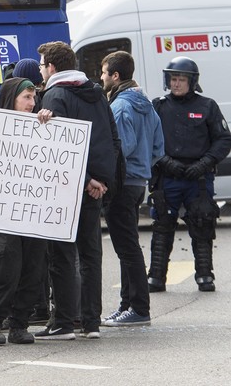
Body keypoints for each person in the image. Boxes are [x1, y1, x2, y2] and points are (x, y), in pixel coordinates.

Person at [34, 41, 120, 341]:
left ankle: (64, 323)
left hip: (66, 189)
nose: (41, 71)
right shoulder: (96, 93)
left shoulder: (55, 95)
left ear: (52, 67)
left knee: (62, 257)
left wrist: (85, 180)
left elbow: (58, 150)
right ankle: (90, 321)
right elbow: (111, 139)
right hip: (94, 187)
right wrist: (102, 181)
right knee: (90, 254)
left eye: (42, 65)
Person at [148, 56, 231, 293]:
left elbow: (224, 139)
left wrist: (205, 163)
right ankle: (156, 276)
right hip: (168, 175)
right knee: (163, 225)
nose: (176, 84)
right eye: (173, 79)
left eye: (181, 79)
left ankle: (204, 275)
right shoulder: (159, 106)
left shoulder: (207, 106)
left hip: (198, 178)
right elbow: (148, 140)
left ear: (192, 81)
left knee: (202, 223)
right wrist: (163, 161)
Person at [0, 78, 48, 345]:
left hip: (35, 211)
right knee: (7, 264)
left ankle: (20, 324)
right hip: (4, 212)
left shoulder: (43, 126)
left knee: (33, 266)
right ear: (11, 99)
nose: (32, 104)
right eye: (26, 98)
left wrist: (48, 126)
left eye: (34, 98)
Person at [99, 51, 163, 327]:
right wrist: (142, 166)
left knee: (127, 248)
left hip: (123, 184)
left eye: (103, 73)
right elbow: (159, 148)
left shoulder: (121, 107)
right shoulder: (146, 104)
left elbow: (119, 149)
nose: (100, 78)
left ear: (115, 75)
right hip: (138, 181)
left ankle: (138, 308)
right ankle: (127, 305)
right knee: (128, 245)